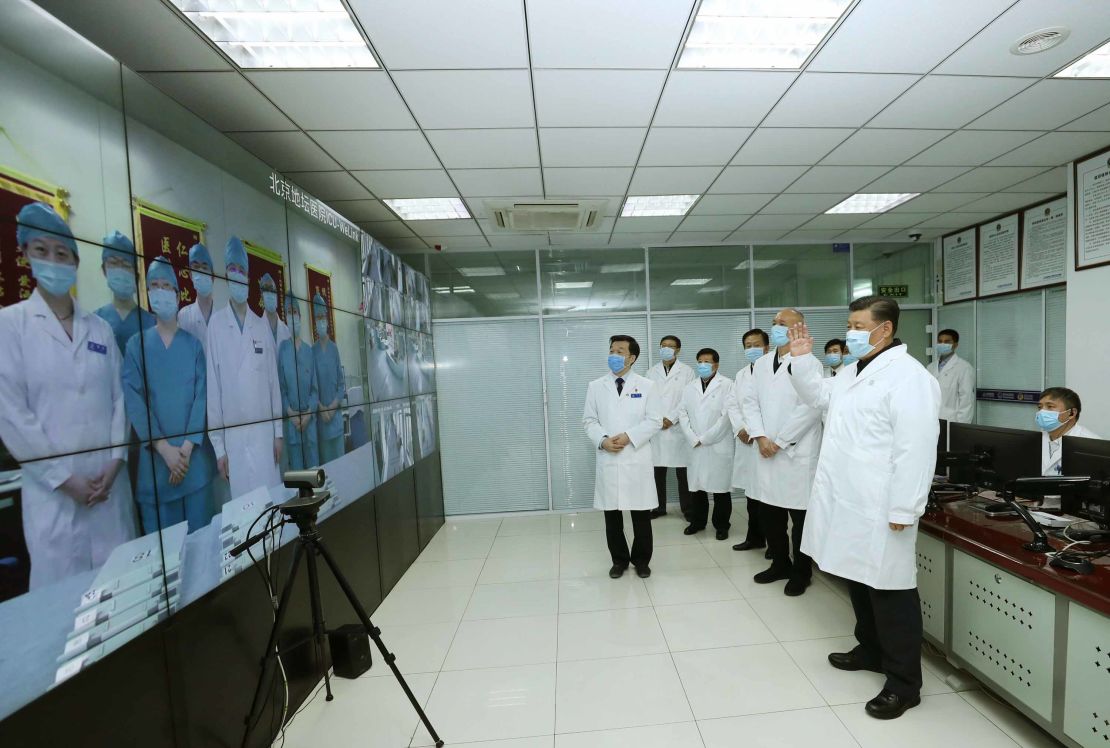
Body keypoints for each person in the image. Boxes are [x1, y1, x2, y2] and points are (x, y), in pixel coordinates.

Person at [787, 295, 941, 720]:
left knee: (891, 592)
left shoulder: (910, 378)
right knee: (858, 580)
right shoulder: (854, 369)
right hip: (848, 499)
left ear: (884, 329)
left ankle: (904, 683)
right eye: (850, 324)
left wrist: (904, 509)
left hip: (883, 505)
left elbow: (916, 450)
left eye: (858, 325)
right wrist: (801, 360)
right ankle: (870, 650)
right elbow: (818, 397)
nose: (850, 333)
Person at [0, 202, 136, 588]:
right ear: (25, 253)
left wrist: (115, 460)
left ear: (75, 262)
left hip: (109, 487)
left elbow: (118, 400)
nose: (53, 261)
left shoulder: (99, 331)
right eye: (41, 251)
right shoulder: (10, 327)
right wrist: (63, 478)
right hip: (55, 498)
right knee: (65, 605)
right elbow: (11, 415)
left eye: (62, 254)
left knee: (120, 594)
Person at [121, 257, 215, 534]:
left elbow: (200, 398)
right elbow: (135, 402)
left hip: (194, 465)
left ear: (177, 294)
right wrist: (165, 450)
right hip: (157, 470)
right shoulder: (136, 346)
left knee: (203, 549)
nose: (161, 292)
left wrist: (184, 450)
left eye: (167, 286)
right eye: (154, 286)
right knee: (168, 562)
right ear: (148, 294)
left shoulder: (194, 347)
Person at [743, 308, 823, 596]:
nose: (776, 328)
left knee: (800, 519)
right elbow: (750, 403)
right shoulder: (763, 364)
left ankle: (801, 572)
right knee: (771, 515)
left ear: (798, 329)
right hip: (766, 450)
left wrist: (781, 441)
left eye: (782, 324)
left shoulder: (809, 363)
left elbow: (811, 407)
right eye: (774, 323)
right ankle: (779, 563)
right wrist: (761, 436)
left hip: (796, 452)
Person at [206, 236, 283, 499]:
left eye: (242, 270)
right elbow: (213, 392)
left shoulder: (260, 325)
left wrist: (279, 434)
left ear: (249, 276)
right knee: (244, 512)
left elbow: (273, 384)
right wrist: (218, 447)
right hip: (234, 442)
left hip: (264, 438)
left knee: (271, 504)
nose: (237, 275)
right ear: (226, 275)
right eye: (233, 269)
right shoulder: (215, 327)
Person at [582, 335, 661, 579]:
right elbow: (589, 420)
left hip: (635, 456)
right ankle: (619, 561)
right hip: (609, 457)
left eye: (620, 351)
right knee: (612, 515)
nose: (614, 355)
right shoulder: (596, 386)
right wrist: (603, 440)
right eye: (612, 350)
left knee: (640, 514)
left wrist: (628, 436)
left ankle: (642, 561)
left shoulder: (647, 386)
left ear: (632, 357)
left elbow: (655, 420)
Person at [678, 348, 734, 540]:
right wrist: (692, 437)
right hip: (694, 445)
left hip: (717, 444)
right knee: (697, 487)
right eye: (700, 361)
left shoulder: (727, 385)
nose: (702, 365)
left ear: (716, 364)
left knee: (720, 489)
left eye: (707, 361)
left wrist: (706, 438)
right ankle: (697, 522)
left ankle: (721, 525)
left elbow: (727, 417)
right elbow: (682, 413)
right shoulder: (689, 387)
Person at [727, 328, 769, 553]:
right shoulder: (741, 374)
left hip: (765, 441)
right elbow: (732, 404)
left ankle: (774, 543)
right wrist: (740, 429)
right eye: (748, 346)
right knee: (752, 495)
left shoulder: (776, 371)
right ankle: (754, 537)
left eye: (756, 345)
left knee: (769, 497)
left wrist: (755, 431)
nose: (752, 349)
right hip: (746, 441)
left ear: (767, 347)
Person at [645, 334, 695, 520]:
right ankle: (658, 508)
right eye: (663, 345)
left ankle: (688, 509)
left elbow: (687, 399)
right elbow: (647, 399)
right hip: (657, 428)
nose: (666, 348)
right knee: (658, 471)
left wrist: (671, 418)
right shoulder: (651, 372)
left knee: (683, 472)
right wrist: (659, 419)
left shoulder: (687, 372)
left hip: (678, 427)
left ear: (678, 350)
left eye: (670, 346)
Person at [94, 231, 155, 355]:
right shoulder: (95, 320)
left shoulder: (151, 323)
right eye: (113, 263)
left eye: (126, 264)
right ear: (104, 270)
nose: (120, 269)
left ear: (135, 275)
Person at [277, 296, 319, 470]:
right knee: (299, 479)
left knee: (315, 475)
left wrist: (308, 413)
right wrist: (291, 414)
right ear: (285, 317)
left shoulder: (309, 351)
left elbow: (315, 390)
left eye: (295, 312)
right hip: (292, 425)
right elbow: (281, 389)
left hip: (310, 424)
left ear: (300, 316)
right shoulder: (283, 349)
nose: (292, 316)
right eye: (289, 312)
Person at [312, 294, 346, 463]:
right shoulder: (312, 351)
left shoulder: (334, 349)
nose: (320, 321)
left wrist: (332, 408)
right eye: (317, 317)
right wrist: (321, 408)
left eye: (322, 317)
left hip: (336, 422)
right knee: (328, 470)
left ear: (327, 318)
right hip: (322, 423)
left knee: (341, 465)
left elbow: (341, 385)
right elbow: (312, 387)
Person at [1036, 387, 1100, 476]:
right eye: (1040, 407)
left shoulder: (1093, 445)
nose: (1042, 412)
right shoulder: (1033, 440)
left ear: (1072, 413)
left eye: (1050, 406)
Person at [927, 329, 975, 423]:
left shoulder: (964, 368)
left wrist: (961, 427)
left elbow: (966, 401)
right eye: (940, 341)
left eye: (947, 342)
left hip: (952, 422)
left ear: (956, 345)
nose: (942, 344)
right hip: (931, 420)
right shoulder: (930, 367)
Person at [179, 242, 215, 353]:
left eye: (204, 267)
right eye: (195, 267)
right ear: (190, 275)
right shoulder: (183, 316)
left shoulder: (223, 316)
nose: (200, 271)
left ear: (213, 276)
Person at [259, 272, 291, 348]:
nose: (270, 293)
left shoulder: (287, 331)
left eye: (272, 289)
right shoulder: (256, 329)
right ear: (262, 295)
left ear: (276, 294)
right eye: (266, 289)